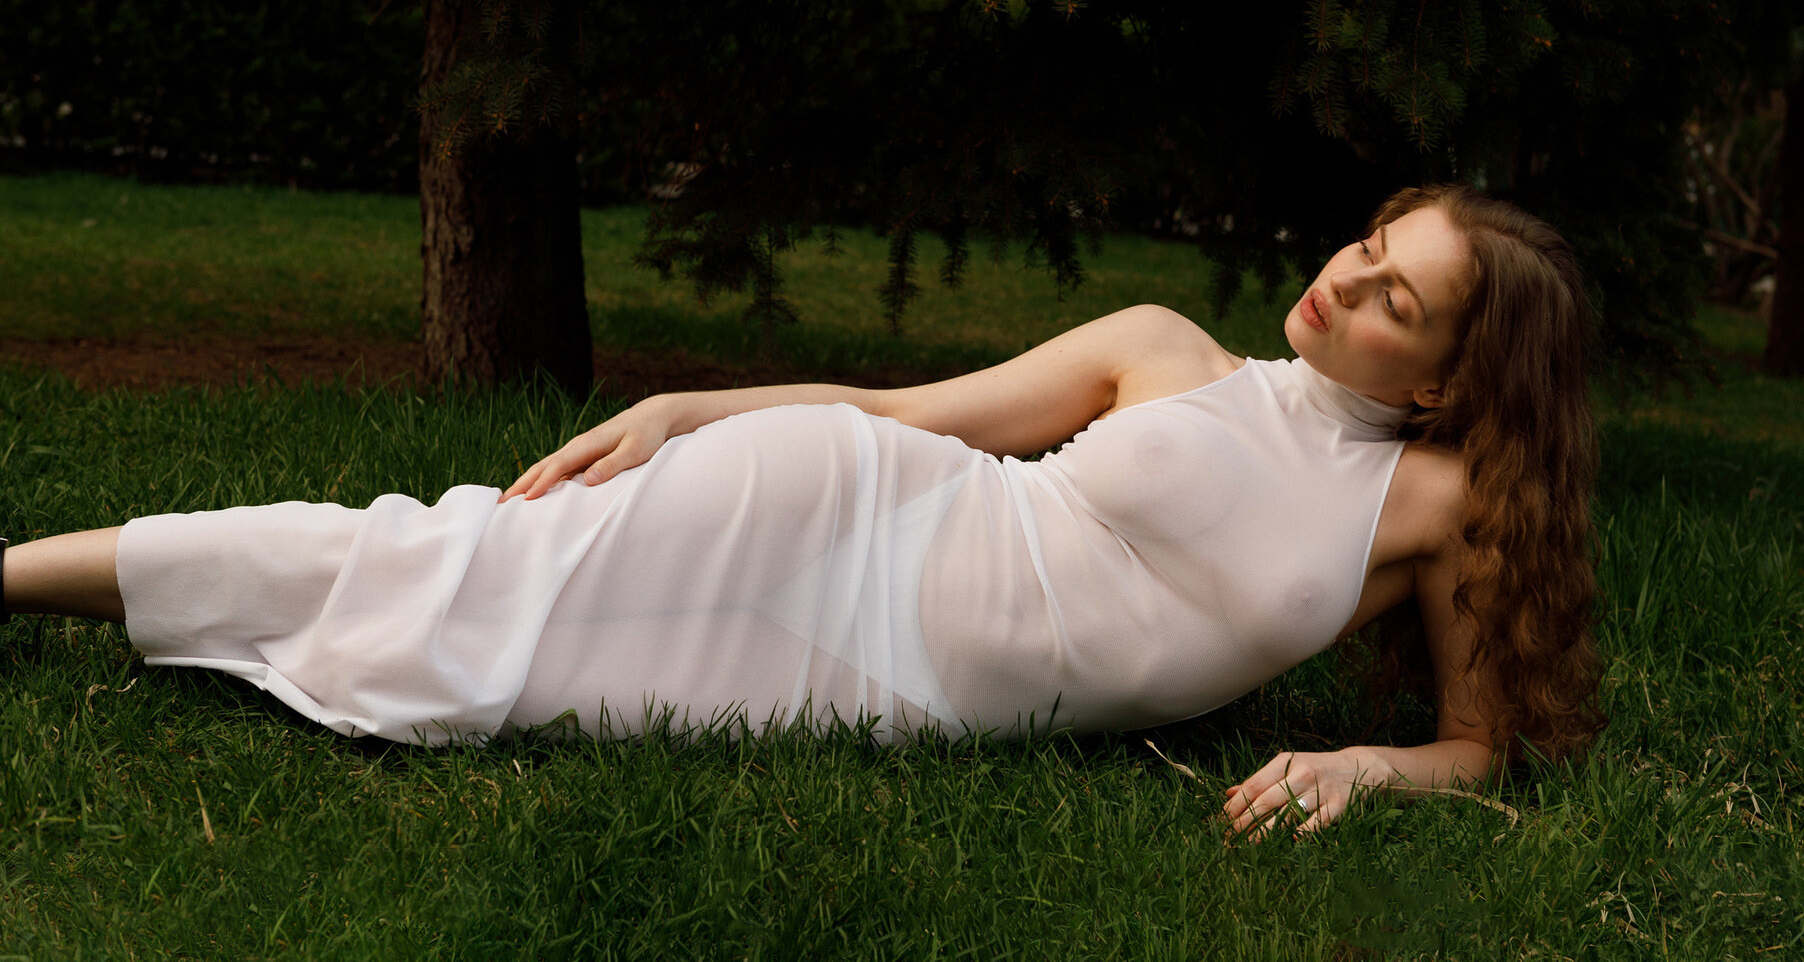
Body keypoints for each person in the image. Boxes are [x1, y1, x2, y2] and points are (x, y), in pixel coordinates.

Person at [0, 182, 1607, 840]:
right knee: (447, 561)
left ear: (1446, 384)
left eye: (1396, 298)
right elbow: (901, 418)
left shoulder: (1440, 507)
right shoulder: (1162, 349)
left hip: (884, 689)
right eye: (1367, 247)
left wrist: (1359, 765)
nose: (1343, 282)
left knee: (501, 681)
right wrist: (688, 408)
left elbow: (1481, 746)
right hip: (836, 509)